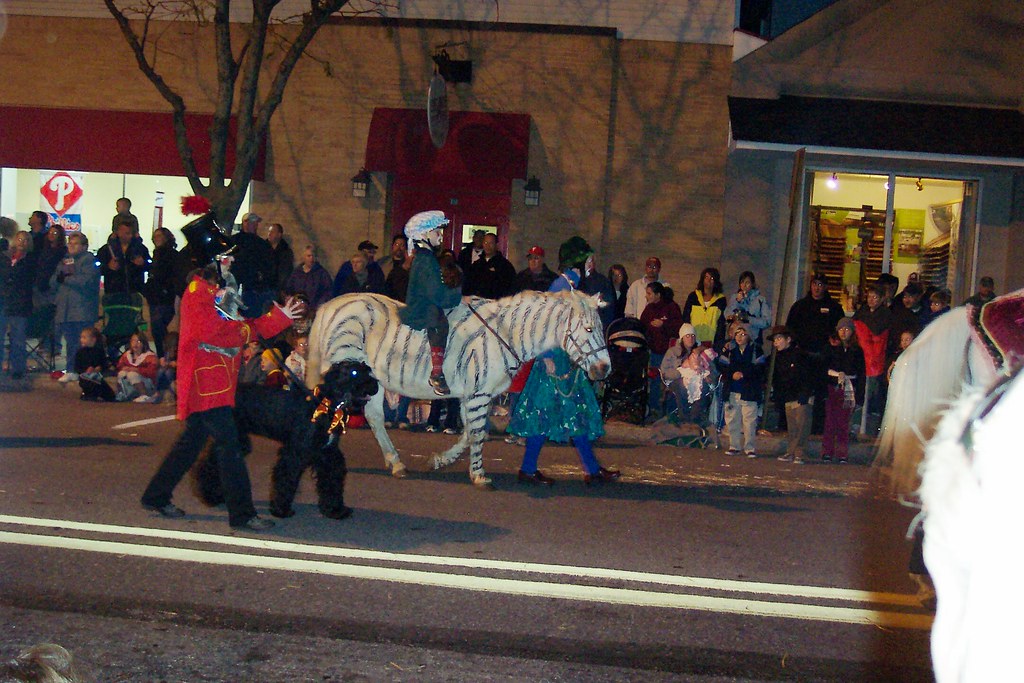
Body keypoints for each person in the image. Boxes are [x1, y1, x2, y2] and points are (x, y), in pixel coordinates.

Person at [139, 262, 302, 531]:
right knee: (230, 448)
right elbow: (215, 332)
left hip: (216, 382)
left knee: (190, 445)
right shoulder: (197, 291)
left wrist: (279, 317)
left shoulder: (213, 290)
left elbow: (239, 325)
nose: (229, 261)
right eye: (223, 257)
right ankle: (242, 514)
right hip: (207, 383)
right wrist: (251, 330)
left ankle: (155, 496)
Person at [507, 236, 620, 486]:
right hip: (554, 360)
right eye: (588, 258)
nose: (592, 262)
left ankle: (591, 469)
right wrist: (545, 356)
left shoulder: (574, 284)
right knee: (543, 414)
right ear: (579, 261)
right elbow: (541, 321)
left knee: (576, 413)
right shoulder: (562, 285)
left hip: (568, 359)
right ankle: (528, 469)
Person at [399, 211, 463, 395]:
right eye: (437, 232)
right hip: (421, 307)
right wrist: (456, 294)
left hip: (422, 301)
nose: (440, 236)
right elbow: (436, 294)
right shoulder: (426, 260)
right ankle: (437, 372)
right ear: (425, 234)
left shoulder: (426, 258)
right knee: (439, 321)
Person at [784, 272, 845, 433]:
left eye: (820, 284)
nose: (817, 288)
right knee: (801, 394)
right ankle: (796, 428)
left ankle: (818, 428)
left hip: (824, 359)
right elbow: (790, 329)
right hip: (803, 357)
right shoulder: (799, 306)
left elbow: (838, 333)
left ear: (825, 287)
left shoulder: (834, 308)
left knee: (821, 395)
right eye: (814, 284)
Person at [51, 231, 100, 383]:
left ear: (84, 246)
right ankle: (71, 369)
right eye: (69, 243)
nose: (71, 246)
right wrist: (60, 278)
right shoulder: (65, 260)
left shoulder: (89, 260)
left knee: (83, 343)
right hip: (65, 309)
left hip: (81, 309)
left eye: (75, 243)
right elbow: (53, 281)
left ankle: (84, 370)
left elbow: (85, 281)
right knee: (71, 342)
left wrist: (66, 278)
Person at [717, 320, 765, 457]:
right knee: (732, 419)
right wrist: (732, 374)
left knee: (749, 421)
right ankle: (734, 446)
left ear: (749, 336)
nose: (740, 337)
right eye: (737, 333)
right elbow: (722, 366)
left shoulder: (756, 349)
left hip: (749, 391)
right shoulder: (729, 349)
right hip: (732, 389)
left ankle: (749, 447)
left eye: (743, 334)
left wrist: (743, 374)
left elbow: (760, 368)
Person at [767, 326, 814, 464]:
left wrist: (805, 393)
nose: (776, 342)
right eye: (775, 340)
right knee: (792, 427)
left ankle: (800, 453)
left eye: (779, 339)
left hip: (801, 396)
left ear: (788, 339)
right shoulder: (777, 357)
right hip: (789, 396)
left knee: (802, 427)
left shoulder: (800, 355)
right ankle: (791, 452)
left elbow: (807, 376)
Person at [659, 322, 718, 429]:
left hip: (698, 377)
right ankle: (684, 418)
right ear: (682, 338)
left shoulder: (701, 352)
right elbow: (664, 371)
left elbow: (713, 369)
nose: (690, 338)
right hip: (677, 379)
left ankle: (695, 419)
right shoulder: (672, 352)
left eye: (693, 335)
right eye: (687, 335)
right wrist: (679, 372)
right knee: (681, 386)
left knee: (702, 387)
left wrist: (710, 377)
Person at [822, 317, 865, 463]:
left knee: (843, 422)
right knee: (830, 421)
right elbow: (824, 368)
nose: (843, 332)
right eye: (841, 329)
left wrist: (860, 396)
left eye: (847, 329)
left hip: (849, 388)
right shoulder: (831, 348)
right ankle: (827, 451)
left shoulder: (857, 351)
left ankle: (842, 453)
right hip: (833, 387)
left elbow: (861, 373)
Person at [641, 281, 683, 416]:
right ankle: (654, 409)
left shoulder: (671, 307)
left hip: (669, 353)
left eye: (649, 293)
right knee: (654, 380)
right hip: (654, 352)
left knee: (670, 381)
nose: (646, 296)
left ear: (658, 295)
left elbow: (678, 327)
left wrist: (663, 325)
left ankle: (670, 411)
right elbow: (642, 327)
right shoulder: (648, 309)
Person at [852, 284, 892, 422]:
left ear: (881, 299)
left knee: (873, 395)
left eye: (875, 297)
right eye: (869, 296)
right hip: (861, 358)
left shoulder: (885, 314)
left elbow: (877, 333)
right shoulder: (862, 312)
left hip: (876, 360)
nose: (871, 300)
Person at [0, 230, 36, 380]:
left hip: (20, 304)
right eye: (20, 239)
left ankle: (18, 368)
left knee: (18, 339)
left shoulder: (30, 260)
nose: (22, 242)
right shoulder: (4, 258)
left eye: (26, 240)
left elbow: (29, 281)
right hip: (3, 301)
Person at [145, 227, 179, 358]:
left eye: (159, 236)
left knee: (158, 329)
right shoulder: (157, 254)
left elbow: (167, 275)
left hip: (164, 297)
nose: (156, 239)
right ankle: (164, 355)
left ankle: (164, 356)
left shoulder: (169, 255)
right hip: (157, 296)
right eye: (155, 236)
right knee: (158, 330)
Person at [232, 212, 275, 313]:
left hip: (252, 289)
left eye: (256, 223)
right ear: (245, 223)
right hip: (243, 287)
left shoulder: (261, 244)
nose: (255, 225)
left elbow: (268, 266)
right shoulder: (236, 241)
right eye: (253, 222)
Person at [97, 219, 150, 295]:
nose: (130, 236)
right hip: (113, 292)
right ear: (118, 232)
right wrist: (108, 267)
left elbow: (150, 266)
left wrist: (143, 264)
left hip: (135, 292)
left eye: (131, 233)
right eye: (127, 233)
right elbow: (96, 268)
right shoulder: (106, 249)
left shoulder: (141, 249)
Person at [724, 270, 772, 350]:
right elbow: (727, 315)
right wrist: (737, 302)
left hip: (753, 340)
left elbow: (766, 322)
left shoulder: (760, 300)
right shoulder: (734, 298)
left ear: (752, 284)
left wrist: (749, 319)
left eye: (747, 282)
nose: (744, 285)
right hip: (735, 339)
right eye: (742, 282)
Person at [681, 267, 727, 349]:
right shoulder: (693, 296)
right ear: (702, 279)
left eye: (712, 278)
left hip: (711, 342)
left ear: (716, 281)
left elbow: (721, 323)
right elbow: (686, 317)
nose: (709, 280)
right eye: (706, 277)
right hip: (693, 340)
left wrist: (718, 343)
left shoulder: (721, 300)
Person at [284, 244, 333, 312]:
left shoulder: (322, 273)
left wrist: (317, 306)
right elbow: (289, 289)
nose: (311, 258)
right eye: (308, 256)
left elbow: (328, 292)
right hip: (297, 309)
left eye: (313, 256)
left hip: (313, 310)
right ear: (304, 257)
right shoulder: (297, 273)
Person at [465, 232, 516, 299]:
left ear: (496, 245)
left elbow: (510, 286)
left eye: (491, 243)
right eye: (485, 243)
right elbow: (468, 284)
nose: (487, 246)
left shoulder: (504, 265)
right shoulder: (477, 264)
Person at [115, 331, 159, 402]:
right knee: (122, 373)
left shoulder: (150, 357)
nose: (135, 344)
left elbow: (152, 372)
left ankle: (144, 395)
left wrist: (137, 370)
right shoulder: (127, 355)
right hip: (131, 383)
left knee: (132, 374)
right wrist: (124, 368)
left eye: (138, 341)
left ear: (143, 343)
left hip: (147, 383)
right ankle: (122, 393)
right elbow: (119, 366)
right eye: (133, 341)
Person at [74, 326, 115, 402]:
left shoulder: (99, 351)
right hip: (85, 377)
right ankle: (88, 393)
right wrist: (85, 370)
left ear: (93, 339)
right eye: (81, 337)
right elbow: (77, 367)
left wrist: (98, 368)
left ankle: (92, 393)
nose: (81, 340)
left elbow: (104, 363)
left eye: (84, 337)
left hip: (97, 377)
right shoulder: (80, 352)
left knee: (111, 396)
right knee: (89, 385)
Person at [579, 253, 616, 331]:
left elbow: (609, 303)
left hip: (597, 324)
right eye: (586, 261)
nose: (589, 264)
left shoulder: (602, 281)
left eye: (591, 261)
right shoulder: (577, 280)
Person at [33, 224, 66, 309]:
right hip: (39, 283)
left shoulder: (62, 251)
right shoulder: (44, 249)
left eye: (54, 233)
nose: (51, 235)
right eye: (50, 232)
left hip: (52, 285)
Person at [265, 222, 295, 295]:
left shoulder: (285, 252)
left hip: (278, 289)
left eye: (272, 232)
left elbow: (285, 272)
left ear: (279, 234)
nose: (269, 234)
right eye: (269, 232)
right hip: (264, 288)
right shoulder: (263, 249)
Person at [384, 234, 412, 302]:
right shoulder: (383, 263)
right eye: (396, 244)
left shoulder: (410, 265)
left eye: (402, 245)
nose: (399, 248)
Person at [156, 330, 178, 404]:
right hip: (169, 370)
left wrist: (175, 364)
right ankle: (159, 391)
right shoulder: (167, 353)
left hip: (177, 373)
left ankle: (162, 392)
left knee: (168, 372)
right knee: (161, 371)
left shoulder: (179, 352)